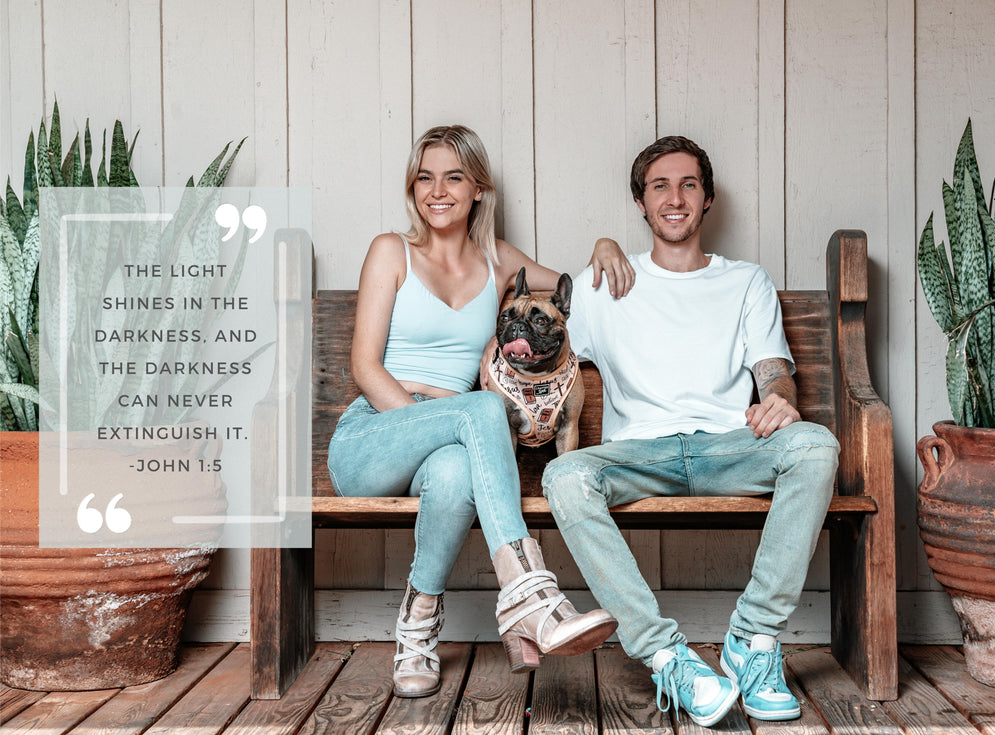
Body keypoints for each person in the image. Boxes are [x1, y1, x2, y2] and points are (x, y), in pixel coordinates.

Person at [541, 136, 839, 725]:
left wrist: (780, 401)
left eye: (688, 185)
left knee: (815, 445)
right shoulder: (605, 282)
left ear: (706, 200)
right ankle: (666, 655)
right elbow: (522, 314)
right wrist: (598, 247)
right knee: (565, 476)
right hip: (637, 454)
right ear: (640, 202)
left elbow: (774, 372)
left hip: (728, 447)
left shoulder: (746, 281)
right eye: (659, 186)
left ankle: (752, 642)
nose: (674, 198)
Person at [327, 125, 631, 699]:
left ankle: (416, 630)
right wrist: (443, 416)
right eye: (424, 177)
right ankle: (529, 595)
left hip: (448, 445)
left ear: (478, 189)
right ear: (412, 188)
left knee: (453, 474)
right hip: (373, 436)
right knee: (486, 409)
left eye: (453, 177)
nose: (437, 190)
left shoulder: (498, 264)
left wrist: (606, 247)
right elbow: (365, 368)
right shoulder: (391, 250)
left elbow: (578, 291)